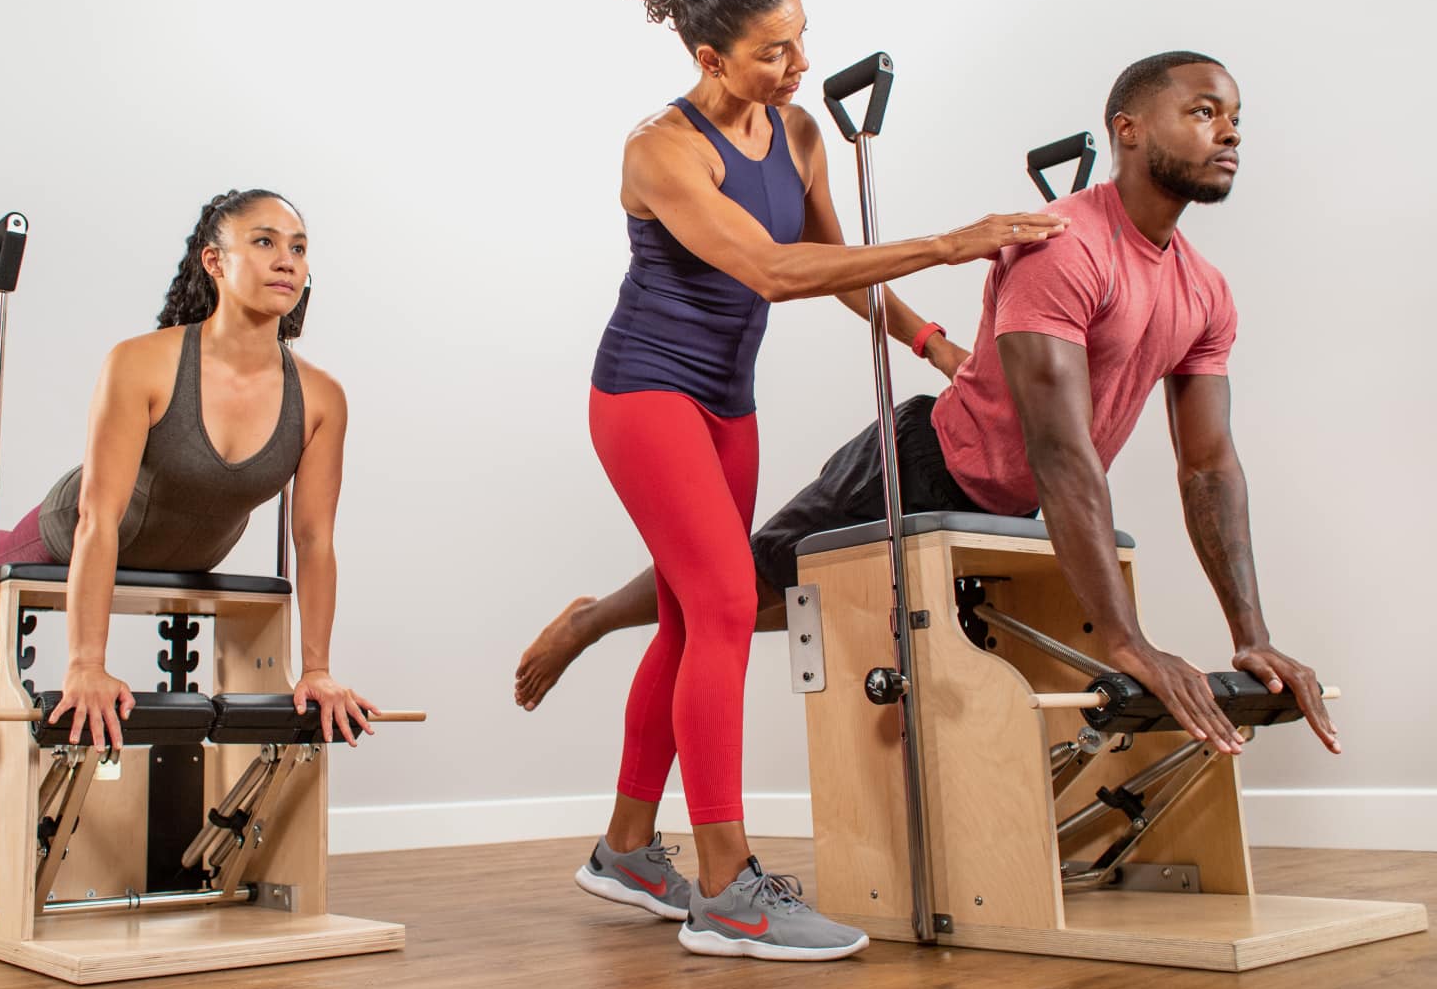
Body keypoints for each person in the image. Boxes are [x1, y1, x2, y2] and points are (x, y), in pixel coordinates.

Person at [526, 49, 1338, 764]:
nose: (1228, 132)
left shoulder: (1205, 291)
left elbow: (1208, 465)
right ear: (1128, 129)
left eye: (1235, 118)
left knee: (751, 599)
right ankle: (592, 620)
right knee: (742, 587)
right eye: (1203, 112)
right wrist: (1127, 640)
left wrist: (1250, 635)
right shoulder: (1065, 244)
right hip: (921, 467)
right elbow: (1061, 453)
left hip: (1018, 504)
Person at [576, 0, 1066, 962]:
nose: (797, 66)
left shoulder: (795, 133)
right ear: (707, 58)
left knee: (681, 618)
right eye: (772, 52)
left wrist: (934, 343)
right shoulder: (658, 149)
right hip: (645, 394)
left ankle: (625, 849)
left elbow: (836, 267)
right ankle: (726, 890)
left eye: (799, 41)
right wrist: (949, 240)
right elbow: (771, 271)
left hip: (726, 402)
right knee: (718, 605)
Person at [0, 189, 378, 750]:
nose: (288, 261)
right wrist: (87, 664)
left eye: (299, 249)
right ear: (215, 262)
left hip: (196, 550)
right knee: (5, 551)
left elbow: (313, 539)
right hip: (84, 523)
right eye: (264, 242)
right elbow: (98, 519)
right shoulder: (141, 362)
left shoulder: (322, 396)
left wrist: (316, 670)